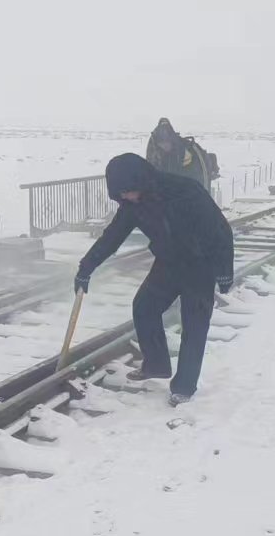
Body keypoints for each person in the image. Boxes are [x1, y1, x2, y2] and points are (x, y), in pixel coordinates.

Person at [75, 153, 233, 406]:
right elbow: (112, 237)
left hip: (200, 265)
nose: (125, 197)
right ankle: (156, 365)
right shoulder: (132, 205)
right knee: (144, 307)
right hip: (169, 263)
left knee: (194, 326)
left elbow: (220, 230)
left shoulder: (185, 191)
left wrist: (225, 270)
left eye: (127, 191)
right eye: (120, 194)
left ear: (141, 180)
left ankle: (184, 387)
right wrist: (86, 267)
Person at [145, 118, 212, 184]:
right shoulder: (153, 153)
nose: (165, 146)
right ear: (157, 144)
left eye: (167, 142)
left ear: (172, 140)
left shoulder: (184, 152)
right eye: (162, 143)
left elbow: (195, 174)